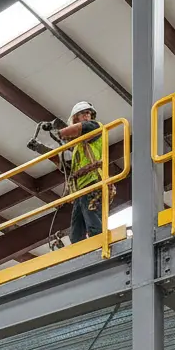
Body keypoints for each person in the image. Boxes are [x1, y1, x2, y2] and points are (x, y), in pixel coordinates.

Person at [53, 101, 109, 244]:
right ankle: (78, 254)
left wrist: (59, 132)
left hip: (93, 184)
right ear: (75, 117)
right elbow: (69, 171)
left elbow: (81, 128)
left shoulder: (96, 127)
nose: (88, 115)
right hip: (81, 191)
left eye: (89, 113)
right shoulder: (78, 146)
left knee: (93, 223)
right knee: (76, 231)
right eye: (84, 113)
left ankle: (99, 247)